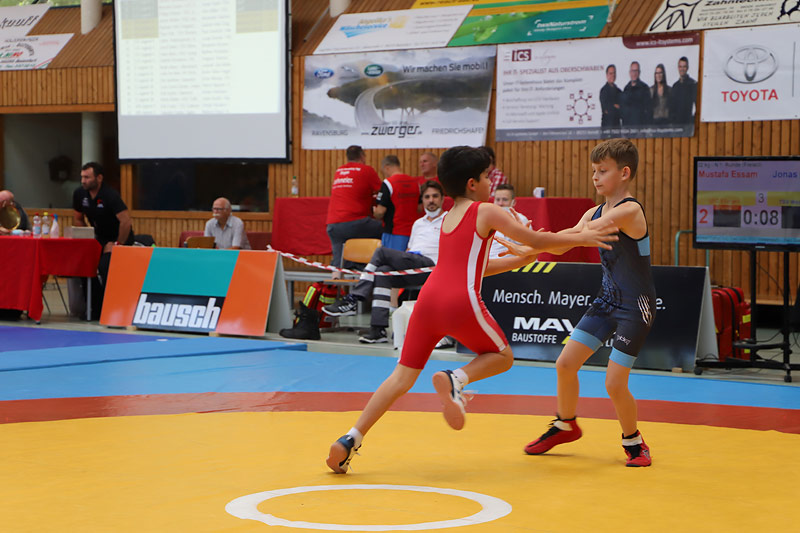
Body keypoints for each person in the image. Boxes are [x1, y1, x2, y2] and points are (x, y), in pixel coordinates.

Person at [325, 145, 619, 474]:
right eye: (484, 177)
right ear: (471, 183)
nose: (489, 182)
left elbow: (475, 265)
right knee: (503, 356)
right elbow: (535, 241)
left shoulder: (450, 216)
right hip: (458, 301)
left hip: (429, 300)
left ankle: (352, 437)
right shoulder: (486, 211)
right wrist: (582, 237)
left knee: (401, 377)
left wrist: (520, 258)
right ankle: (456, 379)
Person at [523, 138, 656, 467]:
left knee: (614, 382)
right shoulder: (593, 211)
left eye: (603, 171)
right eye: (593, 171)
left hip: (635, 309)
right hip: (607, 301)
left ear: (624, 173)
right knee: (565, 364)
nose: (595, 177)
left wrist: (531, 238)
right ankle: (565, 424)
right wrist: (524, 251)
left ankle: (634, 442)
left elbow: (573, 239)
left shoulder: (629, 210)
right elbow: (561, 244)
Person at [323, 180, 446, 344]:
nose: (431, 200)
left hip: (433, 267)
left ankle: (355, 298)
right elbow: (410, 250)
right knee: (382, 272)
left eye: (435, 196)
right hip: (413, 265)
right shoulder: (418, 224)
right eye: (427, 197)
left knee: (381, 252)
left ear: (442, 199)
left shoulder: (449, 220)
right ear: (422, 200)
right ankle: (378, 329)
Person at [73, 162, 134, 295]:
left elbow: (125, 222)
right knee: (84, 263)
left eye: (87, 177)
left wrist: (118, 244)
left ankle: (111, 302)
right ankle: (94, 307)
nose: (83, 181)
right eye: (82, 177)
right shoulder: (79, 194)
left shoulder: (110, 195)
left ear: (99, 178)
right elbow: (78, 218)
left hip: (118, 237)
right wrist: (88, 238)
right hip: (99, 237)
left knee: (105, 264)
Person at [326, 145, 383, 272]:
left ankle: (335, 287)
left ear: (348, 158)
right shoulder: (366, 170)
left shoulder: (339, 171)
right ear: (362, 157)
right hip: (355, 222)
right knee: (387, 230)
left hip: (333, 224)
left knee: (338, 262)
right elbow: (383, 191)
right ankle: (374, 268)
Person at [374, 155, 422, 252]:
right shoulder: (415, 183)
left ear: (387, 167)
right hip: (413, 234)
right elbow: (420, 208)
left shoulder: (388, 183)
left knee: (392, 264)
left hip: (394, 233)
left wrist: (375, 212)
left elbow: (380, 212)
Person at [489, 184, 530, 260]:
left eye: (505, 200)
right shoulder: (487, 218)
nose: (500, 203)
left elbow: (528, 247)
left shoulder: (521, 220)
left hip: (512, 265)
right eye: (497, 200)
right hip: (488, 264)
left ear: (513, 202)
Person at [620, 61, 651, 126]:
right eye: (633, 71)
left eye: (636, 71)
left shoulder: (644, 88)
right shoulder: (626, 88)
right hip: (628, 128)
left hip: (640, 128)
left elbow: (648, 110)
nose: (634, 73)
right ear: (630, 72)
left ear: (639, 72)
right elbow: (623, 109)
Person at [669, 56, 696, 125]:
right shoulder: (675, 86)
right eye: (680, 67)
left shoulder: (693, 84)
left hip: (688, 124)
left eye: (684, 67)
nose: (682, 69)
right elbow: (672, 107)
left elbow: (697, 106)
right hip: (676, 125)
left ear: (687, 68)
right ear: (678, 68)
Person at [599, 64, 622, 130]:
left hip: (617, 126)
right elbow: (606, 109)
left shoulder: (619, 91)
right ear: (607, 75)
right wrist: (615, 106)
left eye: (614, 73)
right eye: (611, 73)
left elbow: (622, 109)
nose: (613, 75)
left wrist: (615, 106)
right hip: (607, 127)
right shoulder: (604, 91)